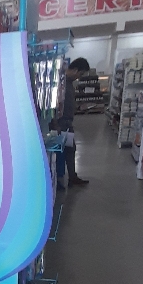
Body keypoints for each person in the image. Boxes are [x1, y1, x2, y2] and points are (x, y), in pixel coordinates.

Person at [57, 57, 90, 187]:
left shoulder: (69, 83)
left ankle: (72, 177)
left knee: (70, 149)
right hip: (61, 123)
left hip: (67, 122)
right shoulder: (61, 82)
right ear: (75, 70)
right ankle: (59, 179)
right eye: (80, 74)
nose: (79, 77)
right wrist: (55, 123)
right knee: (61, 152)